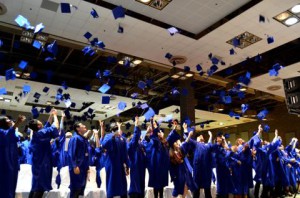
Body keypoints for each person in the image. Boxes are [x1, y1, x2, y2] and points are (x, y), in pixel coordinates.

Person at [28, 109, 59, 198]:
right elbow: (55, 127)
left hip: (37, 163)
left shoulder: (38, 133)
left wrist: (50, 115)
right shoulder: (42, 132)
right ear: (38, 125)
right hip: (42, 164)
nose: (42, 122)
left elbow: (47, 125)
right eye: (40, 122)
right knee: (40, 189)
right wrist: (55, 115)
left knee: (35, 187)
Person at [183, 123, 215, 198]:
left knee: (207, 192)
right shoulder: (196, 144)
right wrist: (185, 129)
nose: (201, 137)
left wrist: (210, 136)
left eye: (202, 136)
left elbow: (210, 142)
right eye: (199, 136)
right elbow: (187, 138)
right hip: (198, 170)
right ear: (197, 139)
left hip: (206, 171)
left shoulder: (207, 145)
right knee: (196, 192)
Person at [0, 114, 26, 198]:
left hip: (13, 164)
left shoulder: (12, 133)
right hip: (4, 164)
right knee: (4, 187)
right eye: (7, 119)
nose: (10, 120)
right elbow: (7, 135)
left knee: (12, 188)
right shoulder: (1, 132)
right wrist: (18, 122)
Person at [101, 121, 129, 198]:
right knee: (111, 184)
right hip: (111, 164)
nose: (116, 127)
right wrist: (112, 136)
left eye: (116, 126)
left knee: (122, 185)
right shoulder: (108, 136)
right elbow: (104, 145)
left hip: (120, 165)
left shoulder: (122, 138)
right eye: (114, 126)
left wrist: (127, 165)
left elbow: (125, 153)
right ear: (111, 128)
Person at [68, 122, 91, 198]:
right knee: (75, 189)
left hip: (83, 168)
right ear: (78, 129)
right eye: (82, 125)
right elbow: (71, 153)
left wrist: (87, 167)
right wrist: (75, 166)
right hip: (77, 167)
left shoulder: (84, 139)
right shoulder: (75, 138)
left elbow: (86, 154)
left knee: (81, 189)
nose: (85, 125)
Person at [127, 116, 147, 198]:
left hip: (141, 170)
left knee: (141, 189)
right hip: (135, 169)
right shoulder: (132, 146)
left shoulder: (140, 146)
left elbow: (143, 142)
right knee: (136, 189)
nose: (139, 139)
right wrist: (136, 124)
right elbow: (135, 138)